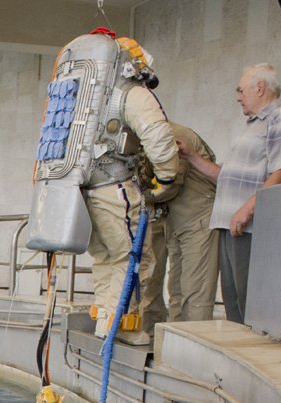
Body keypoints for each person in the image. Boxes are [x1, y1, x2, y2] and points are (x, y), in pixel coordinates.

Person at [25, 30, 179, 347]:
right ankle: (122, 325)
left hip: (82, 192)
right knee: (132, 259)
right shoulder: (130, 92)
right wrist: (165, 177)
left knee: (106, 258)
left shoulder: (87, 90)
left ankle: (106, 321)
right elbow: (159, 138)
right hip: (115, 189)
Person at [178, 63, 281, 324]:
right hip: (228, 223)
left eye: (241, 90)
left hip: (248, 226)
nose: (238, 96)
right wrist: (191, 157)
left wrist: (247, 209)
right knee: (232, 302)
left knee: (247, 301)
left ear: (260, 88)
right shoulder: (251, 126)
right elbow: (226, 177)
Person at [139, 122, 220, 333]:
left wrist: (134, 195)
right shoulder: (151, 138)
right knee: (176, 291)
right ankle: (175, 348)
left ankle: (195, 353)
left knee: (195, 294)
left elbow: (169, 184)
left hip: (197, 220)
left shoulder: (172, 136)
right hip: (176, 222)